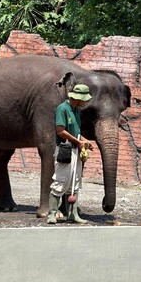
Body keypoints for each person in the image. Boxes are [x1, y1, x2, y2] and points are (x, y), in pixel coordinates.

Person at [47, 84, 94, 224]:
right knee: (60, 181)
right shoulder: (62, 109)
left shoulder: (77, 111)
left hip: (76, 150)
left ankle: (72, 214)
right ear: (77, 98)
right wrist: (77, 142)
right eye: (84, 99)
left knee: (74, 183)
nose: (85, 102)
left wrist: (84, 142)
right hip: (65, 150)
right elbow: (60, 131)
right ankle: (52, 214)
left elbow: (77, 133)